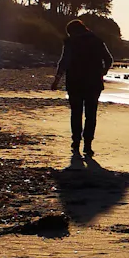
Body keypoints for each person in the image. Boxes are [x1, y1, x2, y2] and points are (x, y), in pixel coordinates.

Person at [51, 19, 114, 156]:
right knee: (91, 115)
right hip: (94, 83)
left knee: (76, 113)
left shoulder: (70, 42)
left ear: (72, 31)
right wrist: (103, 71)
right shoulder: (97, 40)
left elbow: (64, 61)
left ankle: (76, 141)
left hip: (75, 82)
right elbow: (109, 59)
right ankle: (88, 144)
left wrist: (57, 79)